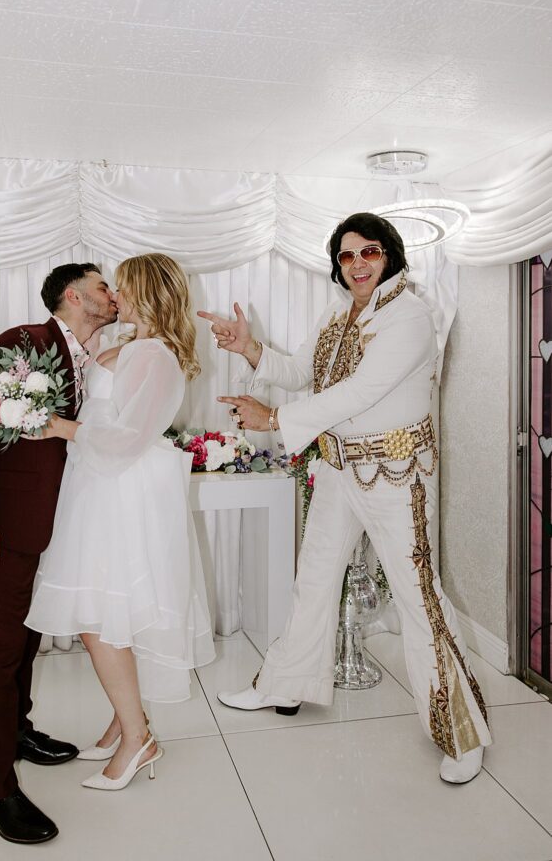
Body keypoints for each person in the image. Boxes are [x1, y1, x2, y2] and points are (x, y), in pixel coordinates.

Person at [199, 212, 491, 785]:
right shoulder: (339, 312)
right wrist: (251, 348)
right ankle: (285, 686)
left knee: (418, 597)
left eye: (370, 252)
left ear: (392, 255)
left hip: (396, 476)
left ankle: (461, 732)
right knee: (313, 580)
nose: (357, 264)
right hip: (337, 468)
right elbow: (303, 369)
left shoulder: (410, 315)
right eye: (347, 255)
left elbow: (360, 392)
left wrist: (275, 418)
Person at [25, 252, 215, 791]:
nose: (116, 297)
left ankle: (138, 738)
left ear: (148, 292)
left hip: (117, 490)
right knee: (104, 614)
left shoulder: (152, 354)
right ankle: (123, 720)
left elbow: (130, 437)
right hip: (98, 485)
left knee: (99, 617)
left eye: (123, 288)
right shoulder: (131, 346)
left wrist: (61, 428)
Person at [0, 263, 118, 844]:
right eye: (102, 287)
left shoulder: (98, 355)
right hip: (5, 525)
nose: (112, 296)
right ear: (73, 296)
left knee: (28, 637)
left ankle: (16, 731)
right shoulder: (24, 342)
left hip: (60, 525)